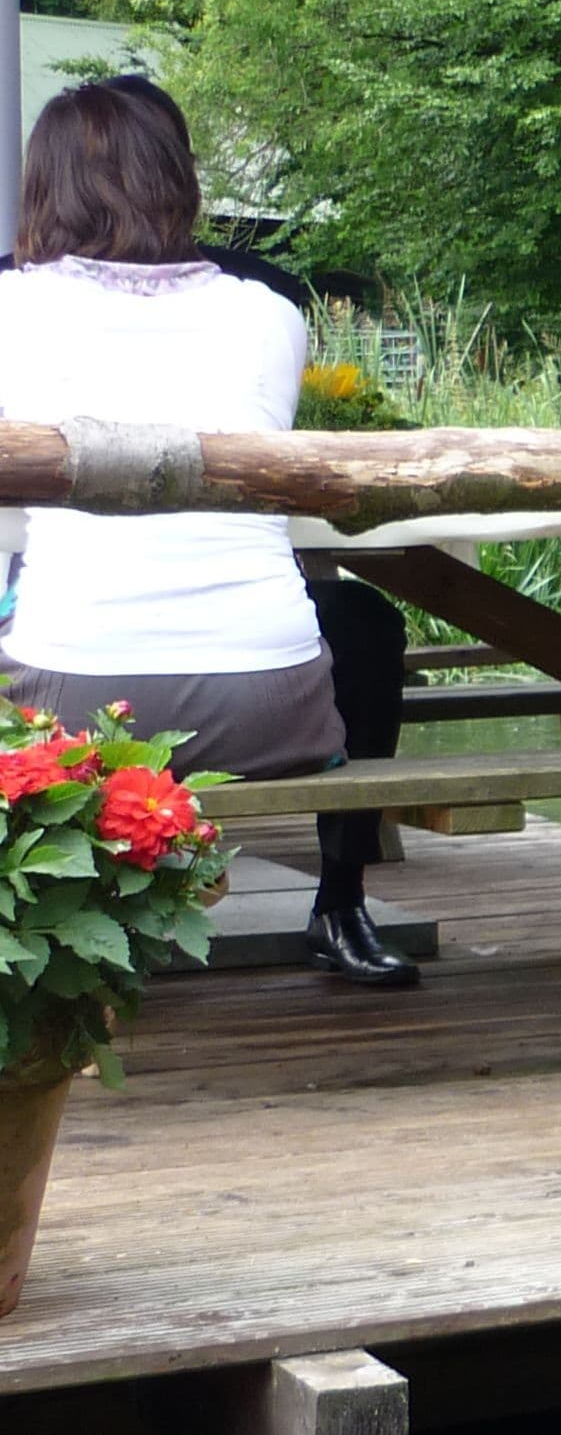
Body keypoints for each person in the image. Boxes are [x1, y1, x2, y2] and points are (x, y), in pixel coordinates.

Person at [0, 80, 417, 987]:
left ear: (43, 187)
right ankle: (339, 901)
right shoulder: (270, 312)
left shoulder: (8, 306)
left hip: (73, 713)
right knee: (362, 620)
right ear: (178, 177)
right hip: (273, 707)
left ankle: (41, 929)